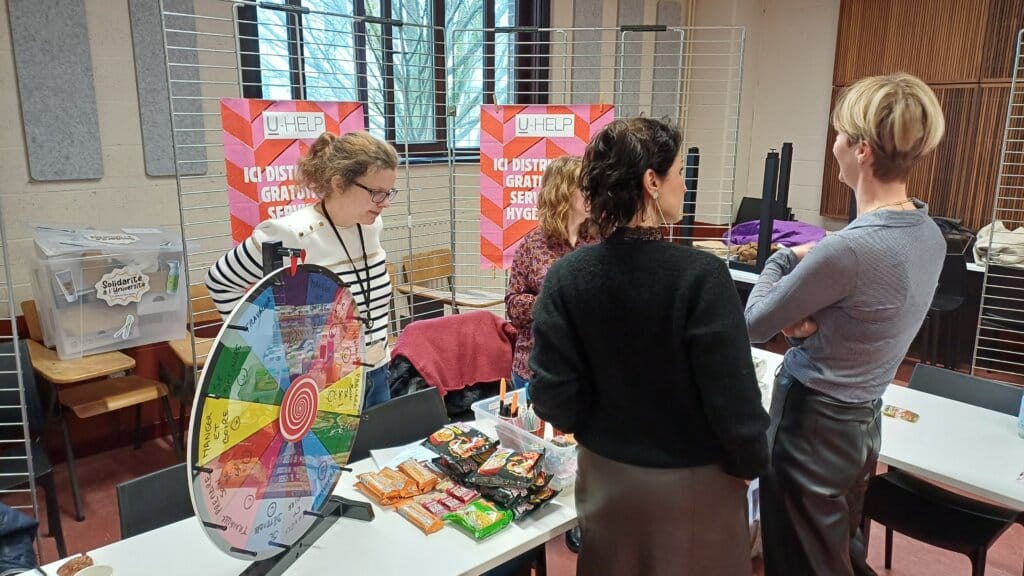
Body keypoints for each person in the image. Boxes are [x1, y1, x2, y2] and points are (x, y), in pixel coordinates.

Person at [528, 117, 770, 576]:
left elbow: (553, 397)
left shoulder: (567, 276)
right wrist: (752, 462)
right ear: (652, 182)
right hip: (695, 485)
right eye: (680, 172)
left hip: (604, 480)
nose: (684, 183)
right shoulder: (701, 277)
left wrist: (600, 429)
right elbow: (733, 400)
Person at [745, 73, 946, 576]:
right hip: (863, 427)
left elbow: (753, 324)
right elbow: (865, 318)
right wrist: (810, 315)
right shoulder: (929, 235)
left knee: (800, 560)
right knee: (838, 554)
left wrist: (782, 258)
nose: (830, 144)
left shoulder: (848, 250)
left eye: (837, 133)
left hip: (812, 429)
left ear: (861, 150)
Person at [205, 131, 399, 410]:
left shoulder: (370, 226)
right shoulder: (289, 233)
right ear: (339, 183)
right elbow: (221, 281)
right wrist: (260, 347)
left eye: (389, 192)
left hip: (377, 372)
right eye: (376, 193)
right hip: (322, 387)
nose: (386, 202)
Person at [505, 155, 595, 391]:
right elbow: (513, 308)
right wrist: (550, 302)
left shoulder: (600, 241)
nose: (592, 193)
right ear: (562, 192)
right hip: (537, 368)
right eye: (584, 187)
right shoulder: (532, 246)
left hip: (588, 367)